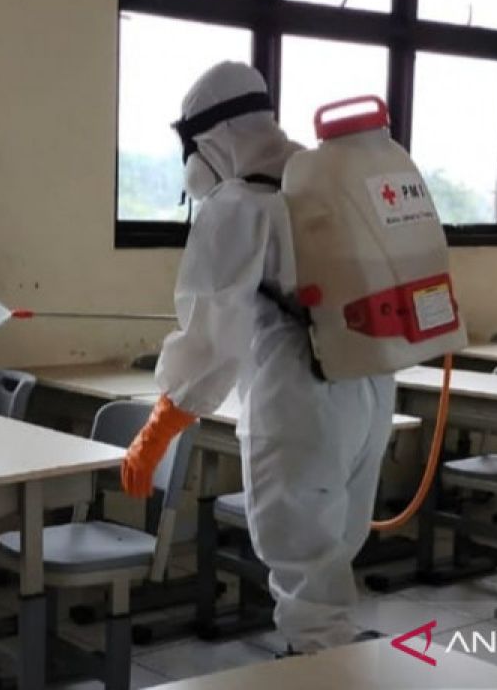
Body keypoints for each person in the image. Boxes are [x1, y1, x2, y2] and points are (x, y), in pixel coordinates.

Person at [120, 61, 397, 654]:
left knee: (305, 585)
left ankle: (319, 668)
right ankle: (335, 660)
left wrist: (161, 425)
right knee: (330, 565)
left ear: (211, 140)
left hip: (300, 398)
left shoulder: (240, 204)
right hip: (370, 388)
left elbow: (210, 336)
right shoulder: (325, 181)